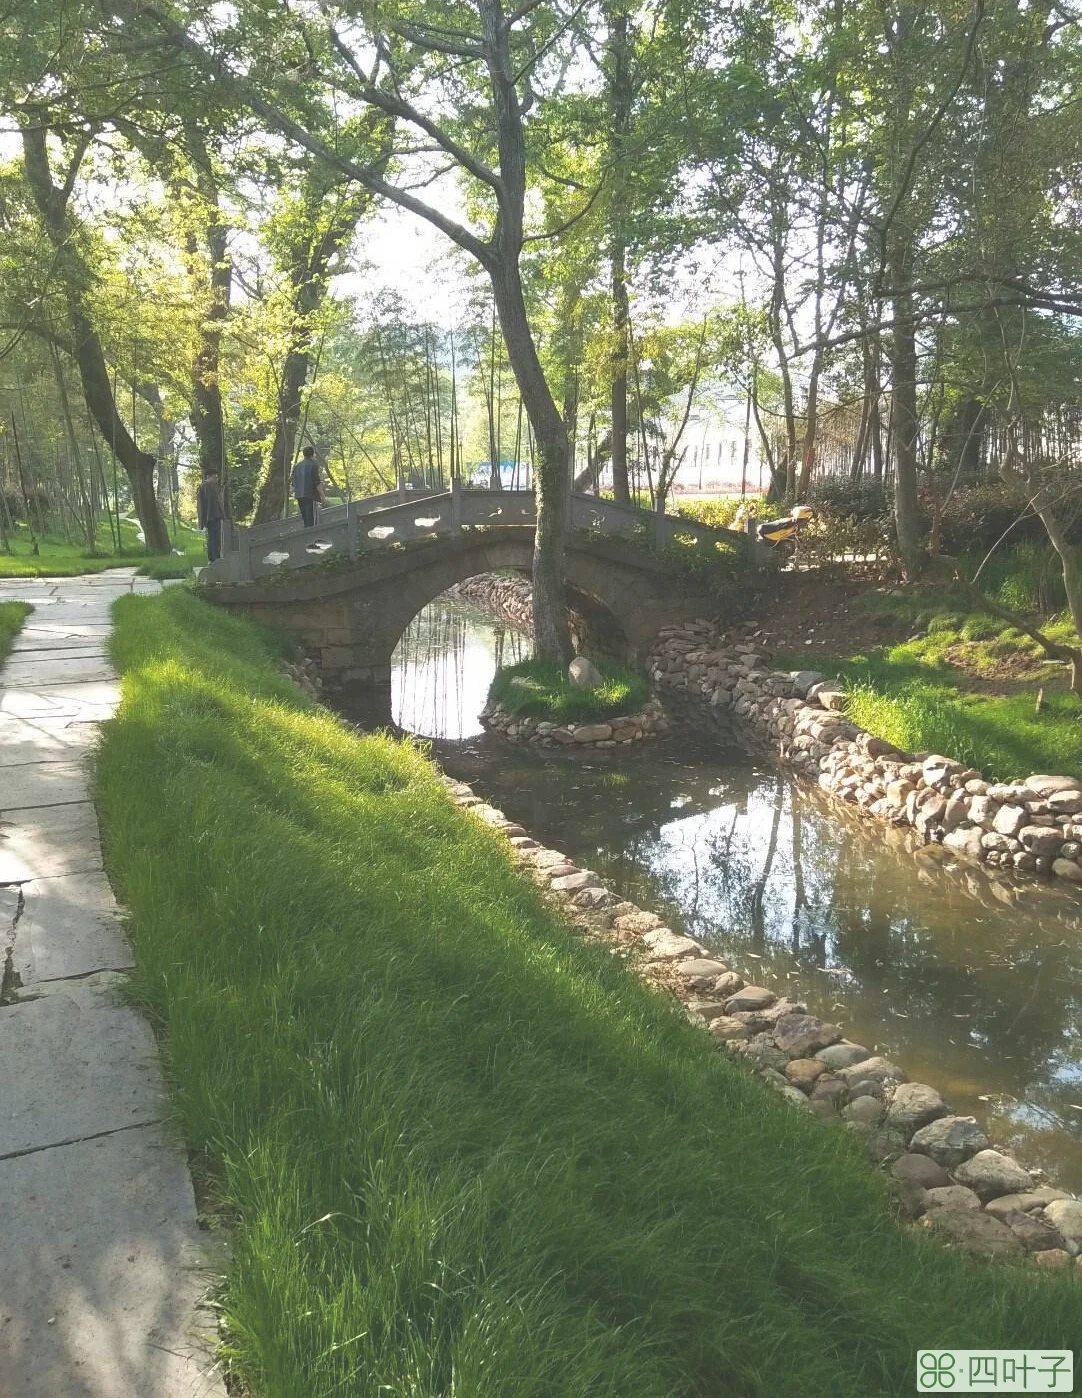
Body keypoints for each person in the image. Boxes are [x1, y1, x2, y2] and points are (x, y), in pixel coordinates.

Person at [196, 466, 226, 563]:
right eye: (215, 477)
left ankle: (212, 558)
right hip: (213, 516)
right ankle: (215, 559)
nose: (217, 479)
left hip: (211, 517)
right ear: (209, 476)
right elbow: (212, 503)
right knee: (214, 539)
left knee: (212, 538)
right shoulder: (207, 486)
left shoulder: (206, 487)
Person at [292, 444, 325, 527]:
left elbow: (293, 482)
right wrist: (322, 495)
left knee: (305, 518)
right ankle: (310, 537)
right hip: (311, 495)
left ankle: (305, 536)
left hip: (300, 495)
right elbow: (316, 482)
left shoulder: (297, 466)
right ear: (313, 454)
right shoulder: (314, 465)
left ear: (303, 454)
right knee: (311, 519)